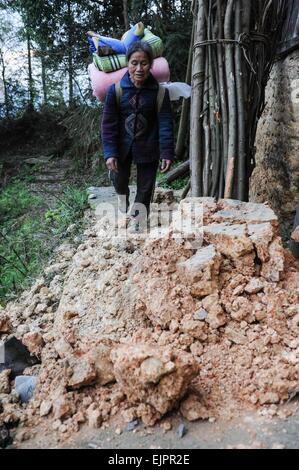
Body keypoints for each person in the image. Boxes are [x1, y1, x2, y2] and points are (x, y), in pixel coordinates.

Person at [101, 41, 174, 231]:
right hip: (121, 147)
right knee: (120, 180)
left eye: (144, 63)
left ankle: (138, 220)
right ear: (127, 64)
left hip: (149, 146)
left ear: (151, 64)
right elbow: (108, 125)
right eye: (134, 63)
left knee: (145, 186)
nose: (139, 68)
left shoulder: (159, 93)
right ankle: (121, 193)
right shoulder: (115, 91)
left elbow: (165, 124)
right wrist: (110, 153)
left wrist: (166, 152)